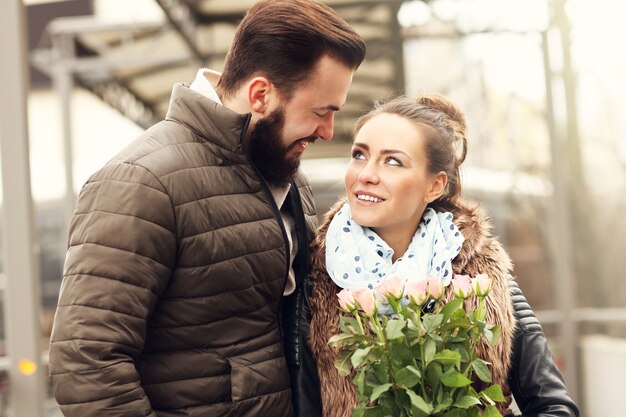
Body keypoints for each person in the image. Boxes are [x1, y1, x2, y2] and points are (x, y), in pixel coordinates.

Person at [48, 1, 365, 416]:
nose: (328, 131)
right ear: (260, 94)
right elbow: (86, 363)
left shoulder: (284, 175)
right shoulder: (142, 181)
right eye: (321, 112)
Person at [297, 95, 580, 417]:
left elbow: (554, 407)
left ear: (434, 186)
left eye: (392, 161)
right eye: (360, 155)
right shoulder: (313, 279)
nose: (366, 174)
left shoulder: (481, 276)